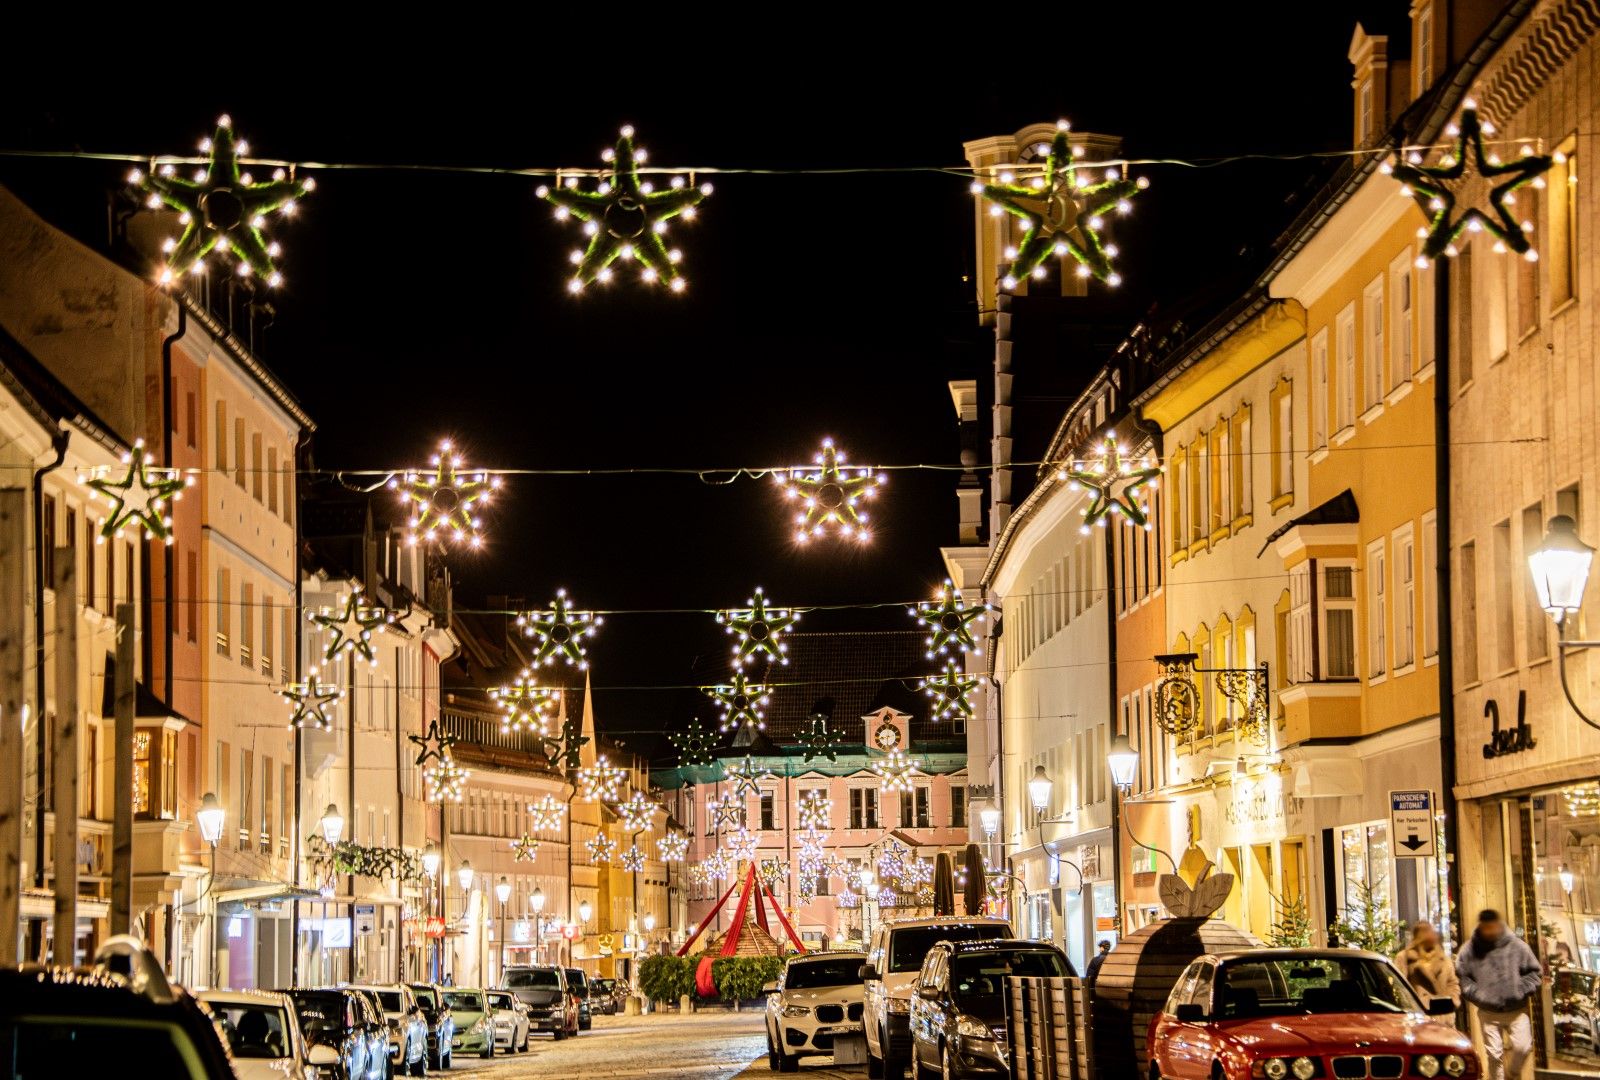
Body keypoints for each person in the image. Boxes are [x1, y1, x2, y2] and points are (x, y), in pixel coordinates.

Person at [1456, 909, 1541, 1080]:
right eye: (1486, 927)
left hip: (1516, 1010)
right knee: (1494, 1056)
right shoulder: (1469, 950)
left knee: (1523, 1047)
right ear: (1481, 926)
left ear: (1498, 925)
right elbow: (1463, 977)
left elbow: (1534, 973)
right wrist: (1479, 995)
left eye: (1492, 926)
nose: (1490, 930)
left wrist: (1520, 990)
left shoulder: (1518, 946)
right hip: (1488, 1012)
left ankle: (1512, 1074)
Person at [1395, 922, 1460, 1010]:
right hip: (1418, 1017)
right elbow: (1399, 987)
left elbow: (1452, 983)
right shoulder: (1405, 958)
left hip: (1443, 1016)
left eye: (1431, 931)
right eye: (1426, 932)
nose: (1431, 935)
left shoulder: (1443, 959)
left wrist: (1452, 1001)